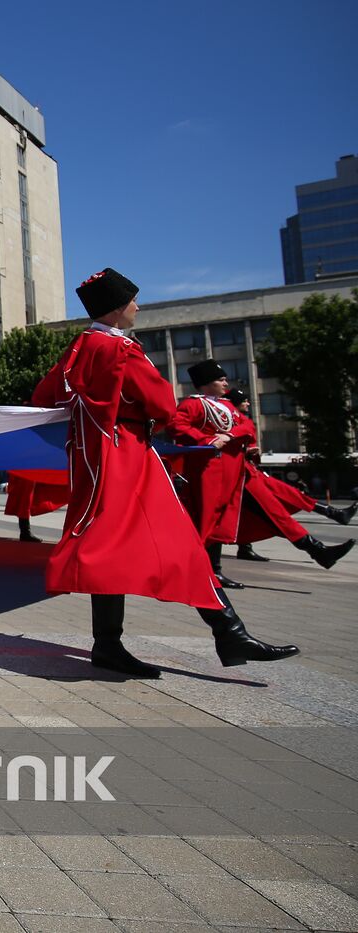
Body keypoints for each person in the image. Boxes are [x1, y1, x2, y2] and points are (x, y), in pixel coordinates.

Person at [31, 269, 297, 679]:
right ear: (118, 309)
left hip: (93, 457)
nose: (138, 307)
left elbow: (45, 396)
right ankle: (227, 631)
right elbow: (162, 405)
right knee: (175, 539)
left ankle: (112, 644)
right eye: (134, 301)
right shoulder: (122, 349)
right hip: (129, 456)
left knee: (107, 547)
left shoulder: (79, 347)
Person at [220, 388, 356, 566]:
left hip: (246, 472)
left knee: (277, 507)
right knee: (274, 513)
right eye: (243, 400)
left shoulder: (239, 419)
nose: (247, 402)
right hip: (238, 473)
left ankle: (326, 530)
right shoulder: (225, 417)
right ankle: (321, 543)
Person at [169, 360, 253, 588]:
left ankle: (214, 570)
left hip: (231, 468)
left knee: (221, 517)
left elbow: (248, 426)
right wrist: (206, 441)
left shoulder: (229, 406)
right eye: (221, 379)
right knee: (206, 516)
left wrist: (229, 436)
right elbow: (177, 425)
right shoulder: (192, 405)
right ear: (206, 384)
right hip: (209, 468)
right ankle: (203, 570)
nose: (226, 383)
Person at [2, 469, 69, 542]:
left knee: (25, 497)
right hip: (25, 468)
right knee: (25, 497)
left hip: (27, 467)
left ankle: (25, 532)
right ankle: (25, 532)